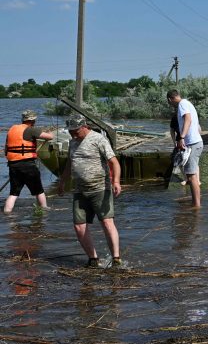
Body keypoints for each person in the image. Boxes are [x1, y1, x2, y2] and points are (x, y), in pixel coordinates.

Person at [58, 115, 122, 268]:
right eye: (70, 131)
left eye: (75, 131)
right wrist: (62, 182)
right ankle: (93, 259)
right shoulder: (73, 142)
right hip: (80, 191)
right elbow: (69, 164)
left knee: (106, 222)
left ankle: (116, 259)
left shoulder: (98, 139)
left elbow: (114, 162)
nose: (73, 134)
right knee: (79, 226)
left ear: (84, 127)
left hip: (100, 188)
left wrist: (116, 182)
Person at [4, 110, 53, 213]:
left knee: (13, 193)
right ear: (33, 120)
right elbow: (50, 137)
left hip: (13, 165)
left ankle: (7, 213)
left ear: (23, 119)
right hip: (28, 165)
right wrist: (49, 133)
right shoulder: (31, 130)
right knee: (38, 190)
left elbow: (6, 150)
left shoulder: (11, 129)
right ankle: (44, 210)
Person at [167, 89, 203, 208]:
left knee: (192, 177)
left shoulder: (182, 104)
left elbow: (188, 119)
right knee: (190, 176)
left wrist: (181, 137)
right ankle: (195, 203)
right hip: (194, 143)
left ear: (170, 99)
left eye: (169, 103)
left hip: (193, 143)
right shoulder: (187, 103)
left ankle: (196, 206)